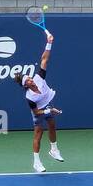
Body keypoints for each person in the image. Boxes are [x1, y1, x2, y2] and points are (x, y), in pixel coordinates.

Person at [14, 31, 65, 173]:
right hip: (39, 111)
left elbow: (44, 59)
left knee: (52, 125)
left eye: (29, 77)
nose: (30, 79)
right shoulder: (30, 97)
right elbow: (36, 112)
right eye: (27, 80)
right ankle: (36, 162)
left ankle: (54, 150)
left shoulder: (39, 78)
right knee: (39, 133)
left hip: (47, 104)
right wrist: (50, 110)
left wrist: (49, 42)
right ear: (25, 85)